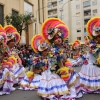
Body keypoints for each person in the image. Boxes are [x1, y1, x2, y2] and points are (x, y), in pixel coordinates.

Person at [42, 18, 82, 99]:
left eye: (59, 37)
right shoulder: (53, 49)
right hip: (55, 69)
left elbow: (66, 59)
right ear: (53, 41)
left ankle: (71, 92)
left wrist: (69, 66)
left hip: (63, 65)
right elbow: (57, 62)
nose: (58, 39)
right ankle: (66, 92)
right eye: (55, 39)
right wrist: (64, 69)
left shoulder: (65, 47)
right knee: (67, 75)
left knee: (73, 74)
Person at [30, 34, 69, 99]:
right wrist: (33, 70)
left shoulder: (53, 53)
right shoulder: (39, 58)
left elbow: (59, 61)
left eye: (46, 50)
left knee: (55, 81)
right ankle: (49, 93)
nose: (45, 51)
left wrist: (63, 69)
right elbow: (35, 66)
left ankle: (55, 93)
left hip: (52, 71)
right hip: (46, 72)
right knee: (47, 82)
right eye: (43, 50)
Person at [78, 17, 100, 93]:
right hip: (92, 64)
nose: (99, 38)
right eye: (98, 37)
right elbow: (88, 54)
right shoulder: (92, 44)